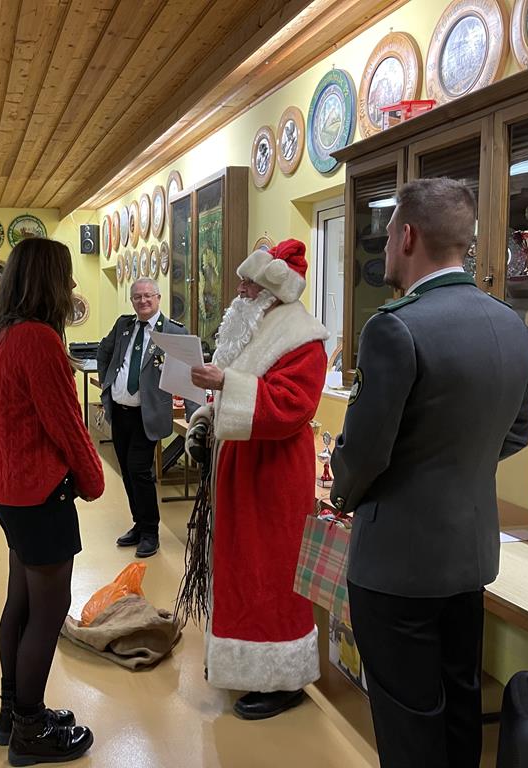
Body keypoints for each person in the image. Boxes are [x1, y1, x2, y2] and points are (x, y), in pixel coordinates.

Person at [330, 178, 528, 768]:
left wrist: (341, 493)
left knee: (409, 725)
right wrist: (457, 467)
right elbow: (518, 431)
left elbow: (364, 454)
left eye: (388, 234)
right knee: (459, 711)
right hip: (469, 557)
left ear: (408, 236)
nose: (385, 246)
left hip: (398, 564)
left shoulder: (394, 326)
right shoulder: (509, 322)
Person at [183, 238, 330, 720]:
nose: (240, 291)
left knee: (270, 573)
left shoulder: (302, 337)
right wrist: (207, 417)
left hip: (272, 480)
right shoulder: (253, 327)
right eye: (242, 283)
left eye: (249, 284)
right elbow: (241, 389)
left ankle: (282, 677)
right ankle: (245, 662)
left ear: (271, 290)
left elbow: (292, 406)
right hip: (241, 473)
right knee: (240, 569)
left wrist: (224, 383)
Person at [0, 237, 102, 766]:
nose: (72, 285)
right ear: (47, 281)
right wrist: (94, 479)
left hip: (12, 493)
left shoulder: (8, 333)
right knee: (48, 612)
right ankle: (30, 731)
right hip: (39, 494)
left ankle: (12, 713)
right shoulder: (39, 339)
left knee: (22, 603)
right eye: (66, 275)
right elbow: (67, 425)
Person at [96, 277, 196, 558]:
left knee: (139, 469)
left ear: (158, 298)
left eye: (148, 296)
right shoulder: (123, 326)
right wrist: (107, 383)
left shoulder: (173, 331)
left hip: (148, 415)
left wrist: (194, 416)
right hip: (120, 412)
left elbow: (189, 374)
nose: (143, 301)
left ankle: (151, 531)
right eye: (137, 297)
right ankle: (139, 525)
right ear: (132, 301)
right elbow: (103, 352)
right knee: (127, 471)